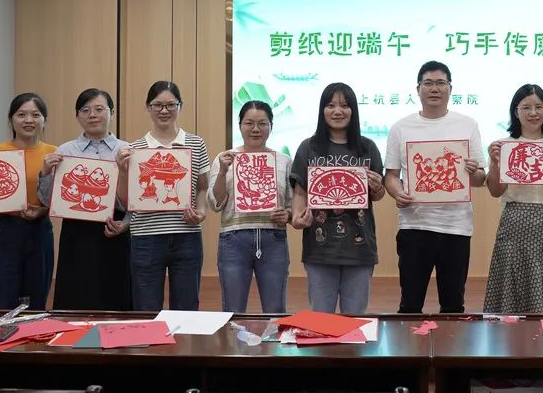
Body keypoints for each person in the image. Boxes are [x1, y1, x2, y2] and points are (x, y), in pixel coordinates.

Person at [384, 61, 485, 313]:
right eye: (428, 83)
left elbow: (479, 179)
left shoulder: (468, 125)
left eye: (441, 83)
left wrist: (473, 171)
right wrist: (397, 192)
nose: (434, 88)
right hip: (414, 226)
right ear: (418, 89)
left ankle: (451, 341)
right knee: (410, 304)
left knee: (453, 305)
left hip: (456, 227)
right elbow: (391, 176)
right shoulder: (400, 128)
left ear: (451, 88)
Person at [289, 83, 385, 314]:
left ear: (353, 111)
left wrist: (377, 187)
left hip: (360, 248)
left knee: (355, 320)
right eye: (331, 105)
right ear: (322, 110)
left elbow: (378, 195)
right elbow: (300, 192)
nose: (338, 111)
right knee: (321, 320)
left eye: (344, 105)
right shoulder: (308, 147)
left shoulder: (368, 147)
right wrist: (297, 218)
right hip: (320, 248)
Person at [117, 81, 210, 312]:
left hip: (186, 235)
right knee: (146, 308)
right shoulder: (135, 149)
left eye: (171, 105)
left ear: (180, 106)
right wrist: (122, 171)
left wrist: (201, 213)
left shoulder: (196, 143)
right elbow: (125, 201)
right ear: (148, 107)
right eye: (157, 105)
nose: (164, 110)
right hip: (145, 238)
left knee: (186, 308)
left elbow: (202, 187)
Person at [483, 84, 543, 313]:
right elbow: (495, 191)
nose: (533, 113)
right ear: (516, 112)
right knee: (512, 275)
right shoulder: (504, 146)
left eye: (539, 106)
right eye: (526, 107)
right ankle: (510, 329)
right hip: (514, 220)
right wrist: (494, 163)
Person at [38, 88, 132, 311]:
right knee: (76, 295)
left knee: (116, 296)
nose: (92, 115)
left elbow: (137, 199)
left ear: (111, 112)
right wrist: (45, 173)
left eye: (99, 109)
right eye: (85, 110)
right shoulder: (64, 151)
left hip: (114, 229)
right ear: (77, 115)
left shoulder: (127, 150)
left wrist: (126, 223)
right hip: (76, 232)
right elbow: (48, 201)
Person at [209, 101, 291, 313]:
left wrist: (287, 214)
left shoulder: (283, 161)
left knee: (275, 310)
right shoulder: (224, 159)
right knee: (233, 310)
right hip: (233, 240)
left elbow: (292, 204)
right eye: (249, 123)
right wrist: (222, 172)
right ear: (239, 126)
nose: (256, 129)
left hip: (273, 239)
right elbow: (215, 204)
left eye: (262, 123)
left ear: (271, 126)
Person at [0, 93, 57, 310]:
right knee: (0, 294)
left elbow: (61, 196)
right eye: (21, 114)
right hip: (3, 229)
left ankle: (32, 334)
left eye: (35, 115)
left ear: (45, 120)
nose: (28, 120)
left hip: (39, 229)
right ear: (11, 119)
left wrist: (43, 210)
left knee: (36, 295)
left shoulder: (54, 154)